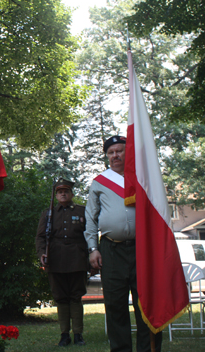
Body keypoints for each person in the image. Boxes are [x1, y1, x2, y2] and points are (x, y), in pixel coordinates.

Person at [84, 136, 162, 352]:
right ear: (107, 156)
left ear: (128, 153)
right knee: (115, 306)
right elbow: (91, 217)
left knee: (146, 305)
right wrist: (93, 248)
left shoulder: (143, 178)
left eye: (119, 151)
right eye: (111, 152)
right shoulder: (100, 182)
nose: (115, 155)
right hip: (111, 249)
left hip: (143, 250)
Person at [36, 178, 88, 347]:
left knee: (76, 296)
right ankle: (64, 334)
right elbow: (41, 237)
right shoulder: (48, 213)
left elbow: (89, 234)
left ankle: (78, 334)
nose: (63, 194)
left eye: (66, 191)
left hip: (77, 259)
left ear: (72, 194)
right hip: (56, 259)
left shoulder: (82, 211)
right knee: (61, 298)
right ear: (56, 195)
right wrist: (43, 254)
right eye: (59, 192)